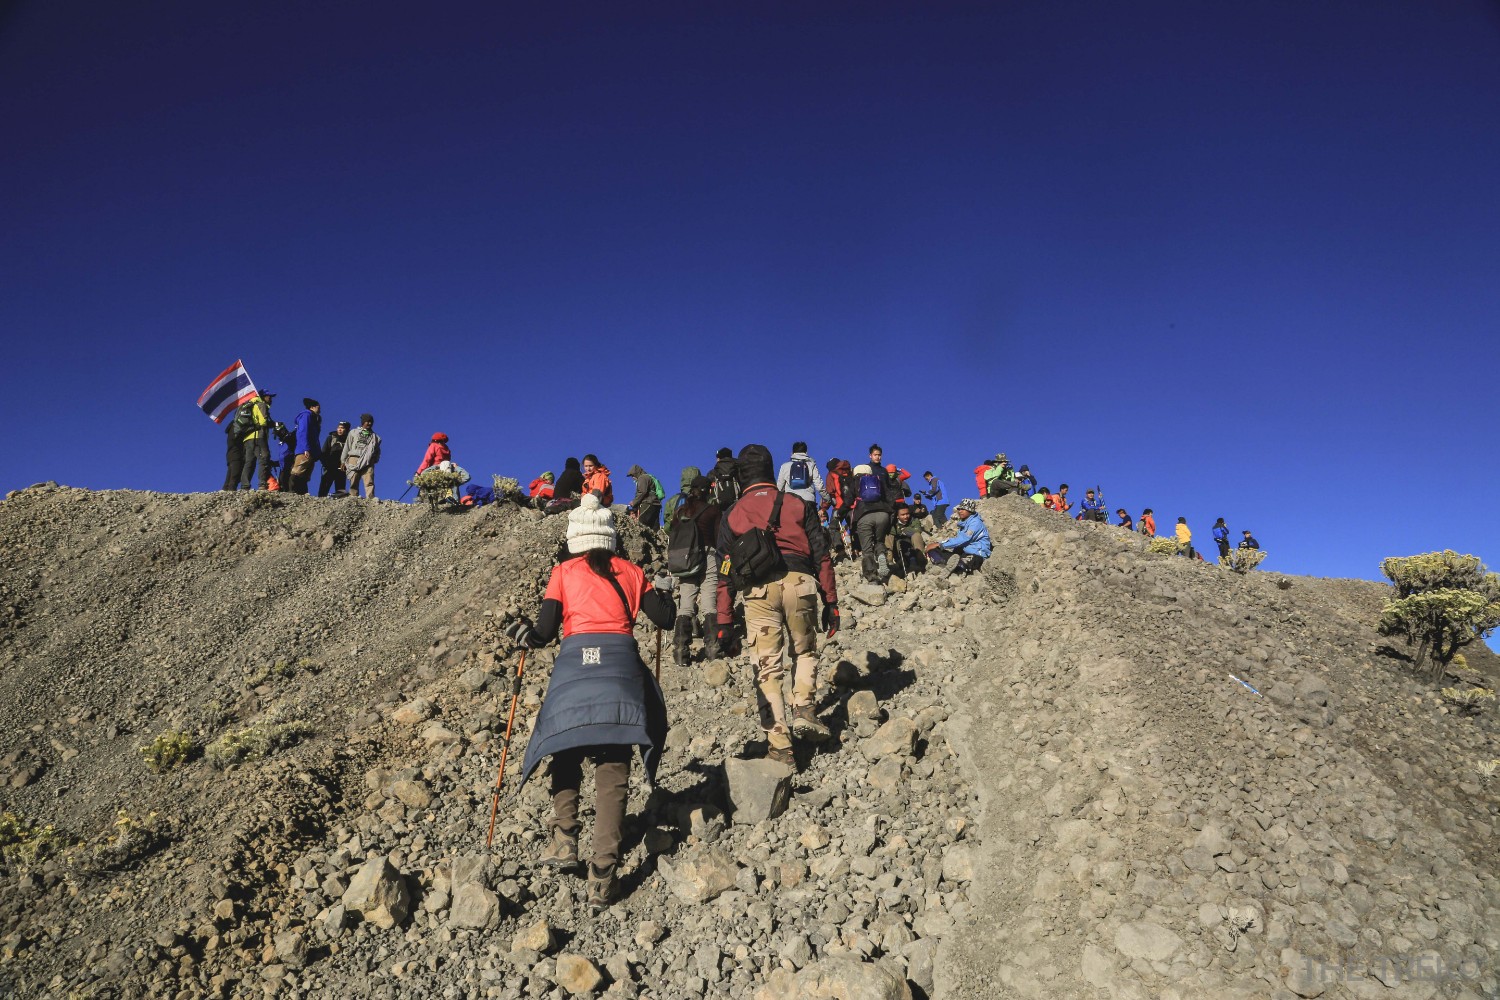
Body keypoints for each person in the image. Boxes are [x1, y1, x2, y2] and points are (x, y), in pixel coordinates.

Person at [506, 495, 674, 913]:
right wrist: (664, 591)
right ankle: (602, 876)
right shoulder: (632, 572)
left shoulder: (562, 573)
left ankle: (565, 839)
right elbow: (665, 619)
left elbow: (544, 633)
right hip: (620, 669)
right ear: (610, 537)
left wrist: (522, 634)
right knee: (613, 768)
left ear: (575, 538)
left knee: (565, 748)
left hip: (574, 668)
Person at [715, 444, 838, 768]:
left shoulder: (733, 514)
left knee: (767, 668)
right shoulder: (797, 503)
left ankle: (781, 748)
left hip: (758, 591)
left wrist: (724, 621)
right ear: (771, 471)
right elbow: (822, 554)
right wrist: (831, 602)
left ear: (741, 476)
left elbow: (724, 570)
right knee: (805, 651)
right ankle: (804, 708)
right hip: (800, 582)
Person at [666, 475, 722, 664]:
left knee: (686, 604)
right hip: (708, 556)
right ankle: (713, 649)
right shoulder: (713, 510)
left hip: (686, 559)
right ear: (708, 491)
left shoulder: (681, 511)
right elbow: (719, 538)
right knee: (709, 602)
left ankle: (680, 651)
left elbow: (671, 532)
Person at [849, 462, 894, 584]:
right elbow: (889, 496)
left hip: (864, 516)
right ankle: (881, 555)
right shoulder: (877, 480)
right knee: (879, 541)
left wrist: (840, 514)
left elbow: (847, 501)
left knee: (867, 550)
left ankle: (872, 577)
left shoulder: (854, 482)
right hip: (883, 514)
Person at [925, 499, 991, 576]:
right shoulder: (964, 524)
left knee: (967, 561)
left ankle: (959, 567)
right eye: (959, 509)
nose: (960, 511)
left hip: (977, 554)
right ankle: (943, 565)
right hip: (964, 553)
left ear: (970, 511)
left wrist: (940, 544)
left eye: (963, 509)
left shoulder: (976, 523)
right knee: (933, 550)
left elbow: (964, 539)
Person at [238, 391, 276, 490]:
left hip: (247, 438)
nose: (271, 399)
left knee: (249, 461)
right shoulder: (261, 405)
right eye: (269, 397)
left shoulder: (250, 405)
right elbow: (263, 421)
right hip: (258, 436)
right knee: (264, 457)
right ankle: (262, 484)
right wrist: (274, 424)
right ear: (263, 397)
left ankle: (245, 486)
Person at [287, 398, 322, 495]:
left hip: (311, 451)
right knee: (298, 471)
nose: (319, 409)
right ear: (312, 407)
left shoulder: (314, 418)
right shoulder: (306, 415)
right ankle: (292, 491)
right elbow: (303, 431)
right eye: (318, 407)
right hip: (305, 450)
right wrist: (306, 448)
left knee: (305, 474)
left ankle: (302, 494)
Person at [342, 413, 381, 499]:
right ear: (363, 422)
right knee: (354, 479)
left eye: (371, 422)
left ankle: (370, 498)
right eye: (368, 421)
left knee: (369, 480)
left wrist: (374, 459)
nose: (369, 423)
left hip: (368, 461)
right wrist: (343, 461)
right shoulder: (353, 432)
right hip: (354, 458)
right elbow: (347, 447)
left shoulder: (375, 437)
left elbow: (377, 450)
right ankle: (353, 497)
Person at [777, 442, 823, 506]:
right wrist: (827, 499)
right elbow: (819, 486)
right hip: (808, 501)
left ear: (792, 453)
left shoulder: (785, 466)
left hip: (790, 502)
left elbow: (779, 488)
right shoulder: (811, 465)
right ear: (806, 452)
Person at [892, 503, 927, 576]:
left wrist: (904, 530)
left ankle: (920, 556)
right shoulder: (893, 523)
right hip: (898, 547)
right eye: (903, 515)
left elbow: (918, 530)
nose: (906, 516)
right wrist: (904, 531)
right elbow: (891, 532)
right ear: (897, 516)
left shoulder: (914, 520)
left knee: (916, 535)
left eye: (907, 514)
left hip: (912, 544)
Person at [318, 421, 351, 497]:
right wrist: (326, 464)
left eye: (342, 428)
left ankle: (338, 502)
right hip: (329, 467)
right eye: (338, 427)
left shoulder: (349, 441)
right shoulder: (331, 438)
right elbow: (323, 452)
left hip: (341, 468)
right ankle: (320, 500)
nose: (339, 429)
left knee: (340, 490)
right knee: (324, 487)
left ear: (347, 430)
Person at [625, 464, 662, 529]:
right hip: (656, 505)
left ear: (636, 473)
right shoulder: (648, 477)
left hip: (648, 503)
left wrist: (634, 502)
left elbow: (642, 492)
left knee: (641, 525)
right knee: (654, 528)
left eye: (632, 475)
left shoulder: (642, 478)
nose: (632, 477)